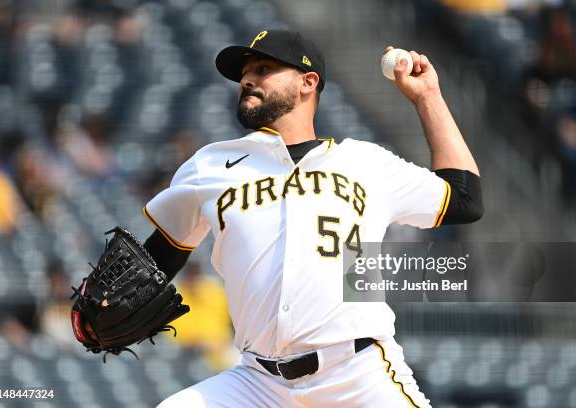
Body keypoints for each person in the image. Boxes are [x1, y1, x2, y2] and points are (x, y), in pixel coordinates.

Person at [141, 30, 483, 407]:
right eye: (244, 73)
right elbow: (162, 254)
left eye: (263, 68)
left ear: (308, 82)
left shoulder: (365, 163)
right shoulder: (211, 164)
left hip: (357, 376)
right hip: (258, 385)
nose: (246, 79)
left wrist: (428, 97)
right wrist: (106, 306)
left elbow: (464, 199)